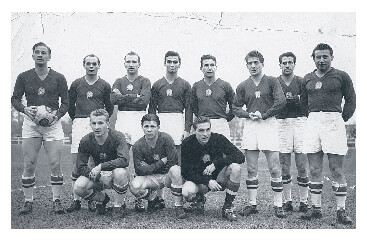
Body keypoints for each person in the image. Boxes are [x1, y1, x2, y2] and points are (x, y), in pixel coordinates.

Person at [300, 43, 355, 224]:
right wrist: (312, 117)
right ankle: (315, 208)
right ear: (313, 58)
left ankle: (341, 210)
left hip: (334, 122)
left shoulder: (341, 76)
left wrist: (341, 119)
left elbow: (351, 100)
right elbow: (303, 103)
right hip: (313, 122)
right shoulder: (307, 78)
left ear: (331, 57)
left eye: (325, 57)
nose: (321, 60)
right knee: (314, 169)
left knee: (336, 169)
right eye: (318, 57)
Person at [11, 42, 69, 214]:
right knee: (29, 163)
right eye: (37, 52)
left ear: (49, 56)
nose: (40, 55)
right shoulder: (23, 76)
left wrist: (56, 116)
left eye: (44, 52)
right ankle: (28, 201)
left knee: (55, 163)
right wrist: (24, 109)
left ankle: (56, 201)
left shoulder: (59, 77)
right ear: (33, 55)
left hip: (52, 124)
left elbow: (65, 103)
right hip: (31, 124)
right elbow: (14, 99)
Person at [233, 50, 287, 218]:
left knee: (274, 167)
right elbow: (235, 107)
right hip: (251, 125)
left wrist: (264, 115)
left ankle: (278, 204)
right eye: (250, 63)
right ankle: (252, 204)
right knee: (251, 168)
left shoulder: (272, 81)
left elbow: (281, 102)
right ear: (247, 65)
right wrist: (246, 114)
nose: (253, 66)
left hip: (268, 123)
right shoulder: (242, 85)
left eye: (256, 62)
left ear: (262, 64)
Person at [66, 54, 114, 212]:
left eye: (94, 63)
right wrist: (79, 119)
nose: (91, 66)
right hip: (80, 123)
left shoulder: (105, 85)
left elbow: (110, 107)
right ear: (84, 65)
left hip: (96, 123)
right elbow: (70, 106)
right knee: (77, 163)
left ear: (99, 65)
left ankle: (95, 198)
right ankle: (76, 199)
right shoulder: (76, 84)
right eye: (88, 63)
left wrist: (99, 120)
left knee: (94, 163)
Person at [181, 116, 245, 221]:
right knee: (187, 192)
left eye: (208, 130)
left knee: (236, 168)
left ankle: (227, 207)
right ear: (194, 131)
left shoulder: (218, 139)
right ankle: (199, 199)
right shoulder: (187, 143)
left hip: (219, 179)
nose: (205, 134)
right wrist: (207, 181)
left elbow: (240, 156)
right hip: (200, 181)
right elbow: (186, 172)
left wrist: (216, 164)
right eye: (201, 130)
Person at [73, 109, 130, 216]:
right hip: (98, 175)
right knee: (78, 187)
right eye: (93, 123)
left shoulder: (118, 136)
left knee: (120, 173)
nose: (96, 127)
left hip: (115, 174)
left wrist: (100, 166)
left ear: (108, 123)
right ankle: (103, 199)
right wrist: (99, 176)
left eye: (100, 123)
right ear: (90, 124)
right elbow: (80, 166)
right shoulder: (86, 140)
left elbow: (124, 160)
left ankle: (119, 205)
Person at [129, 114, 186, 219]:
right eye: (146, 126)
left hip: (166, 176)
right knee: (134, 186)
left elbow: (173, 162)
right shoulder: (137, 145)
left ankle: (178, 206)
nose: (149, 130)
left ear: (158, 127)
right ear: (142, 127)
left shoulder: (166, 139)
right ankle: (153, 199)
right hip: (152, 178)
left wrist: (149, 167)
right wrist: (161, 162)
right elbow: (139, 170)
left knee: (176, 169)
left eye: (152, 126)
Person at [276, 52, 309, 213]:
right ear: (280, 65)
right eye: (284, 62)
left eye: (290, 62)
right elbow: (275, 104)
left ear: (294, 64)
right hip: (282, 122)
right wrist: (290, 100)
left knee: (302, 164)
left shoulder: (302, 81)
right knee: (284, 165)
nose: (287, 65)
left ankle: (304, 201)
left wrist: (294, 100)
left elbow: (307, 103)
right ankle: (287, 201)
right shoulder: (275, 82)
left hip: (300, 121)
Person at [148, 51, 192, 151]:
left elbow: (189, 109)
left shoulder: (185, 84)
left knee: (177, 151)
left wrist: (187, 129)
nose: (172, 65)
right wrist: (153, 126)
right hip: (162, 120)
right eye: (169, 62)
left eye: (175, 62)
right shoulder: (157, 84)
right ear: (165, 63)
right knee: (160, 151)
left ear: (179, 64)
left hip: (178, 121)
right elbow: (152, 109)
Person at [111, 51, 151, 147]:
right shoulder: (119, 81)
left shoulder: (145, 81)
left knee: (139, 150)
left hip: (139, 116)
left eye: (134, 62)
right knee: (122, 150)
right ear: (124, 64)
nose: (131, 65)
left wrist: (122, 97)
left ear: (139, 64)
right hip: (122, 117)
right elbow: (113, 100)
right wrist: (135, 96)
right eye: (128, 62)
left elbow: (144, 102)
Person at [190, 54, 235, 141]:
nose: (209, 68)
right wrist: (202, 119)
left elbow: (234, 106)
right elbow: (194, 106)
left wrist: (225, 118)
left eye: (212, 65)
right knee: (203, 153)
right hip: (203, 125)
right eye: (206, 65)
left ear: (216, 67)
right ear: (201, 68)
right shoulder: (196, 86)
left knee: (223, 152)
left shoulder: (225, 85)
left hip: (220, 124)